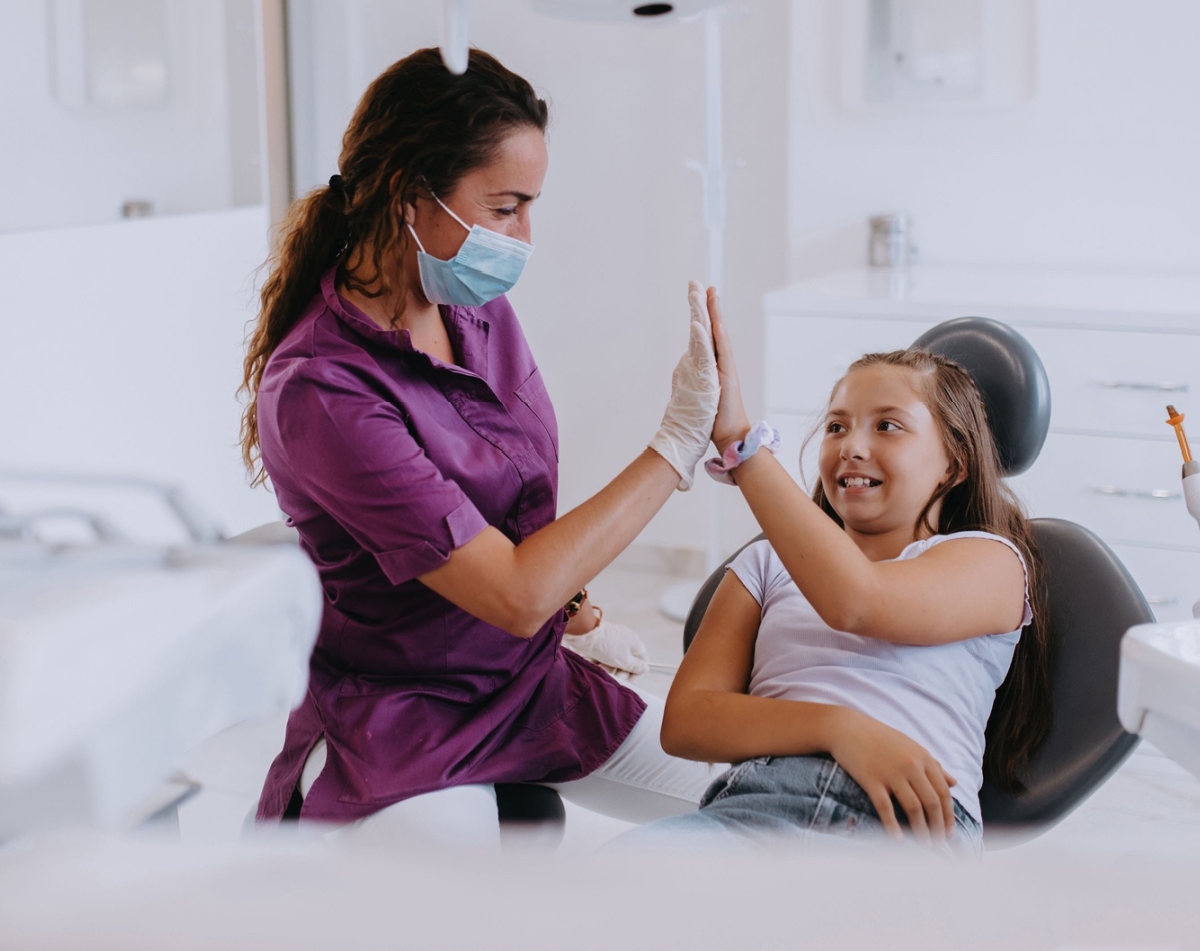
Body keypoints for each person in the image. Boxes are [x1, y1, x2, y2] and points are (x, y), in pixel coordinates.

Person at [241, 48, 720, 842]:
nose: (525, 235)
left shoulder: (473, 307)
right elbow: (510, 590)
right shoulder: (322, 390)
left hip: (526, 678)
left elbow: (512, 510)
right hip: (404, 719)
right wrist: (675, 445)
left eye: (531, 206)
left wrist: (577, 614)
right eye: (505, 207)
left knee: (763, 800)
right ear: (407, 193)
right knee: (471, 933)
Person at [628, 292, 1053, 853]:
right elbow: (686, 720)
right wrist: (839, 728)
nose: (852, 446)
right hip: (752, 804)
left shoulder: (991, 560)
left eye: (888, 427)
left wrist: (741, 445)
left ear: (953, 462)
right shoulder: (764, 563)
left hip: (899, 826)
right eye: (836, 427)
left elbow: (859, 602)